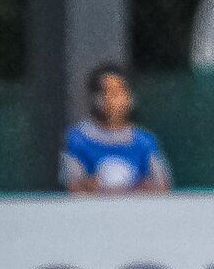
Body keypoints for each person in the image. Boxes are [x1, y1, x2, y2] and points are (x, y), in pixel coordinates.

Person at [61, 64, 171, 194]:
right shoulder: (78, 140)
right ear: (94, 98)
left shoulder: (144, 141)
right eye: (106, 92)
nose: (112, 100)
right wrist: (88, 186)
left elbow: (163, 185)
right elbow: (73, 186)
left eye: (118, 92)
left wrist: (145, 189)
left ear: (129, 98)